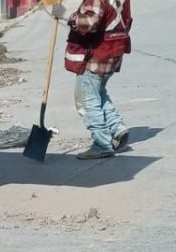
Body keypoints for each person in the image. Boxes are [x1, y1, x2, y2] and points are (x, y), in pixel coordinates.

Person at [64, 0, 132, 159]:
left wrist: (66, 16)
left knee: (87, 100)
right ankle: (117, 129)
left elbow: (89, 23)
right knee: (98, 93)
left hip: (98, 56)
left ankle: (102, 144)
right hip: (113, 52)